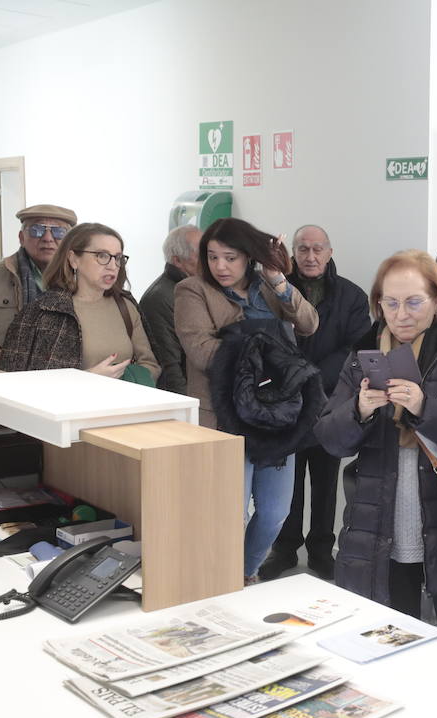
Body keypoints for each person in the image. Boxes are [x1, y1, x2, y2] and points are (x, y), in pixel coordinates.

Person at [315, 250, 437, 644]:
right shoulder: (362, 359)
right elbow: (330, 439)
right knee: (388, 643)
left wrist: (424, 408)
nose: (401, 314)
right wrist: (358, 410)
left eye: (414, 302)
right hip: (377, 531)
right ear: (379, 304)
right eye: (391, 302)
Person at [174, 218, 319, 581]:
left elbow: (309, 323)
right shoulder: (192, 290)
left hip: (276, 416)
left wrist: (278, 280)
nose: (220, 266)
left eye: (231, 258)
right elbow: (201, 351)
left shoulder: (267, 288)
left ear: (249, 258)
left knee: (274, 513)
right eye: (212, 257)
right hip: (224, 417)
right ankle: (223, 580)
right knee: (229, 511)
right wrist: (271, 354)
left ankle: (242, 572)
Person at [258, 225, 371, 582]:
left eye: (317, 249)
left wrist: (310, 377)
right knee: (286, 482)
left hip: (329, 402)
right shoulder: (270, 291)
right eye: (303, 249)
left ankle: (321, 551)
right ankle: (284, 549)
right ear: (292, 253)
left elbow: (355, 348)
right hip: (284, 403)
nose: (310, 256)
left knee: (325, 481)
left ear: (330, 251)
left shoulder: (352, 296)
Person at [0, 222, 159, 381]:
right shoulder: (43, 311)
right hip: (69, 406)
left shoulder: (126, 306)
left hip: (123, 405)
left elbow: (150, 365)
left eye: (117, 258)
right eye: (101, 256)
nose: (112, 266)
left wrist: (125, 379)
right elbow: (17, 382)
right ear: (73, 259)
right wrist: (88, 379)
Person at [0, 204, 78, 367]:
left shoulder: (83, 280)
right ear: (21, 237)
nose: (48, 238)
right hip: (2, 382)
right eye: (37, 230)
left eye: (58, 231)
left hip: (66, 381)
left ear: (70, 241)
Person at [140, 224, 202, 393]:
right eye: (200, 253)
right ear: (177, 260)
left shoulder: (197, 288)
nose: (209, 259)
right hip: (185, 398)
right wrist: (187, 411)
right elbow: (169, 365)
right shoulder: (160, 298)